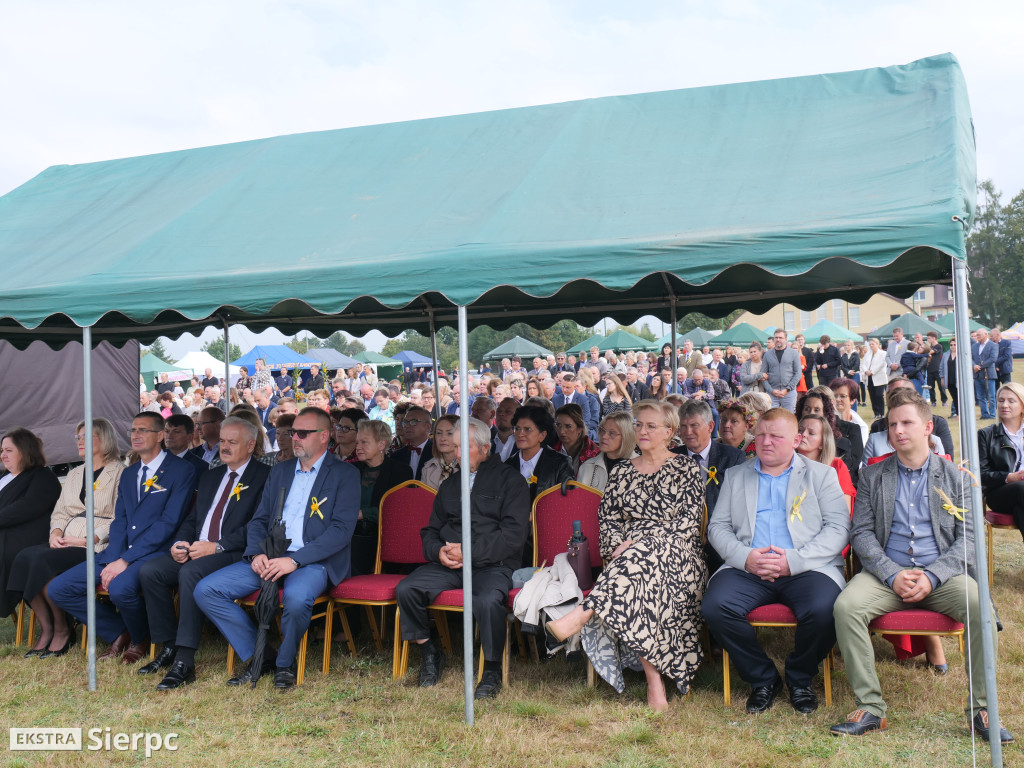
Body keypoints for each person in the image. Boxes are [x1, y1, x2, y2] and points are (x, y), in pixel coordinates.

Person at [830, 388, 1012, 743]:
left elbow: (970, 540)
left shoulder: (957, 478)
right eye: (892, 424)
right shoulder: (872, 476)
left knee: (980, 606)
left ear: (928, 427)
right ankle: (870, 708)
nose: (898, 431)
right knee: (846, 607)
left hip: (942, 574)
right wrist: (891, 573)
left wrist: (932, 576)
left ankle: (982, 709)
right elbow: (862, 533)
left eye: (907, 423)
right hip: (887, 575)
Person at [546, 400, 708, 712]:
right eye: (638, 424)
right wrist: (622, 545)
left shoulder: (687, 468)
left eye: (651, 426)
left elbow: (688, 523)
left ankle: (584, 613)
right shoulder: (621, 472)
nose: (642, 431)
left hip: (680, 556)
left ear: (669, 432)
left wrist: (637, 541)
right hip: (632, 563)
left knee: (639, 559)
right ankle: (654, 681)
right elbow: (608, 520)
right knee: (638, 578)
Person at [193, 408, 360, 690]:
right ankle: (262, 655)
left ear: (324, 437)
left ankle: (285, 663)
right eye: (293, 432)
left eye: (303, 433)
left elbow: (340, 532)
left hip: (311, 560)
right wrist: (257, 553)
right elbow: (259, 519)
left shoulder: (344, 473)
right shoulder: (281, 471)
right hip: (269, 554)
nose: (295, 438)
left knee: (296, 600)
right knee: (207, 590)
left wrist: (294, 561)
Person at [702, 408, 850, 715]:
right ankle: (763, 679)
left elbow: (838, 528)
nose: (765, 442)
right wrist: (746, 558)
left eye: (776, 436)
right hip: (748, 566)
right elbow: (717, 527)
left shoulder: (821, 475)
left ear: (796, 440)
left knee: (825, 609)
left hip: (807, 566)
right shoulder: (736, 475)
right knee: (715, 607)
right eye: (762, 435)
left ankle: (800, 677)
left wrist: (794, 561)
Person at [396, 418, 530, 699]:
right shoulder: (450, 485)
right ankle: (429, 652)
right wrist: (438, 552)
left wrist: (469, 551)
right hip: (452, 563)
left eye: (462, 447)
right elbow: (430, 530)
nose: (455, 454)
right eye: (455, 447)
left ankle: (491, 668)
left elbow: (513, 536)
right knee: (407, 589)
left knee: (487, 600)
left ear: (483, 448)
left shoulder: (511, 481)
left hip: (493, 564)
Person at [48, 413, 197, 665]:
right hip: (118, 551)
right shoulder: (130, 473)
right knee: (59, 589)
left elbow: (168, 523)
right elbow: (120, 521)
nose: (135, 435)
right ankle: (120, 630)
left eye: (143, 430)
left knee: (119, 588)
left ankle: (140, 638)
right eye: (133, 430)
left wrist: (125, 560)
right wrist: (115, 556)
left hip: (156, 553)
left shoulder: (182, 470)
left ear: (160, 435)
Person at [138, 418, 272, 688]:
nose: (224, 446)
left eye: (232, 442)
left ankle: (185, 661)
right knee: (150, 571)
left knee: (190, 573)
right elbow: (193, 519)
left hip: (232, 553)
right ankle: (169, 646)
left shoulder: (264, 477)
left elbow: (260, 526)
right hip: (198, 548)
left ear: (250, 445)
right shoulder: (211, 476)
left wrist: (216, 546)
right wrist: (180, 543)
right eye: (222, 441)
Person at [9, 420, 123, 657]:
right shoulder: (74, 474)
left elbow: (121, 517)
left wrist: (88, 539)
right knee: (24, 556)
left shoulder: (120, 472)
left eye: (86, 436)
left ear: (105, 439)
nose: (79, 441)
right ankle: (47, 627)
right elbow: (60, 512)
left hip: (97, 544)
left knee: (43, 562)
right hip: (67, 538)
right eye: (77, 437)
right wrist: (55, 534)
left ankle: (62, 629)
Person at [0, 428, 63, 622]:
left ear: (25, 451)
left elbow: (26, 508)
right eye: (2, 450)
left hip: (27, 540)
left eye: (9, 450)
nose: (3, 455)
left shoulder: (43, 477)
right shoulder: (3, 478)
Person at [350, 420, 414, 576]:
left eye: (364, 442)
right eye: (357, 442)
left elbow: (399, 512)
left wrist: (363, 514)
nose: (358, 447)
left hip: (384, 537)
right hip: (351, 535)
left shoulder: (400, 471)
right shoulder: (351, 470)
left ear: (381, 445)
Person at [979, 382, 1024, 536]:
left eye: (1011, 401)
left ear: (1022, 406)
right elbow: (981, 474)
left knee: (1020, 510)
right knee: (1020, 487)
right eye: (1001, 400)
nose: (1005, 405)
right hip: (999, 493)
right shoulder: (986, 435)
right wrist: (1009, 477)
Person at [505, 404, 573, 505]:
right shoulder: (508, 465)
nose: (520, 434)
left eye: (527, 429)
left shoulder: (560, 464)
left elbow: (568, 503)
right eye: (517, 428)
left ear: (542, 435)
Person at [796, 388, 860, 484]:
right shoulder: (790, 439)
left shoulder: (842, 447)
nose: (811, 413)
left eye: (817, 410)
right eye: (807, 409)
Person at [796, 415, 855, 499]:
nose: (803, 434)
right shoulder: (784, 463)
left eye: (811, 433)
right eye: (800, 430)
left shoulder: (837, 466)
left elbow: (844, 509)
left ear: (822, 443)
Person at [577, 412, 637, 492]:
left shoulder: (644, 469)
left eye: (612, 433)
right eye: (602, 430)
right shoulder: (587, 467)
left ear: (627, 436)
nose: (604, 436)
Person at [553, 404, 600, 476]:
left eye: (568, 426)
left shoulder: (594, 453)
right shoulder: (552, 450)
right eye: (558, 425)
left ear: (579, 429)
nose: (562, 431)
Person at [762, 330, 802, 412]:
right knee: (772, 418)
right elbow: (762, 375)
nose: (778, 339)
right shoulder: (767, 355)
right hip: (772, 393)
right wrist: (771, 390)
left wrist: (787, 389)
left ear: (786, 339)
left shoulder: (793, 354)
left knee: (789, 418)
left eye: (780, 337)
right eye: (776, 337)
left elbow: (798, 373)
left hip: (789, 393)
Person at [390, 407, 434, 481]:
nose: (407, 425)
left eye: (413, 422)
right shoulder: (396, 456)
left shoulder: (437, 453)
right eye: (405, 422)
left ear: (428, 427)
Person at [420, 416, 460, 490]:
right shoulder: (428, 468)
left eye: (450, 433)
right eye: (439, 433)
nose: (443, 438)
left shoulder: (471, 466)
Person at [829, 377, 870, 449]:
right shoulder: (824, 421)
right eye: (835, 396)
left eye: (843, 396)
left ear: (852, 400)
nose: (838, 399)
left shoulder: (861, 426)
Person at [972, 329, 998, 420]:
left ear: (985, 334)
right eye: (976, 335)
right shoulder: (974, 346)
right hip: (977, 374)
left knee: (991, 395)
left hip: (989, 374)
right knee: (980, 396)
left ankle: (992, 414)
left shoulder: (993, 345)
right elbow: (970, 358)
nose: (977, 337)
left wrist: (980, 366)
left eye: (979, 335)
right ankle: (984, 414)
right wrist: (974, 365)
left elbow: (993, 358)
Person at [860, 338, 888, 418]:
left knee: (879, 395)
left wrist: (873, 371)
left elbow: (882, 364)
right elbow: (863, 364)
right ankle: (876, 413)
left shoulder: (883, 353)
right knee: (872, 396)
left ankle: (882, 413)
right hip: (869, 377)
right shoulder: (868, 354)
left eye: (873, 344)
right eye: (870, 344)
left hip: (879, 376)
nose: (871, 346)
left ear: (877, 344)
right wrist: (866, 371)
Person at [923, 331, 947, 407]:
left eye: (929, 338)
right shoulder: (929, 347)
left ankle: (944, 401)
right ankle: (933, 402)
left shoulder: (939, 346)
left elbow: (930, 352)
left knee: (941, 387)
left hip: (938, 369)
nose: (928, 339)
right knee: (931, 387)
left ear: (934, 338)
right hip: (929, 369)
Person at [491, 397, 517, 461]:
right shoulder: (487, 444)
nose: (501, 414)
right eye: (499, 411)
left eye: (508, 411)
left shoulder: (524, 446)